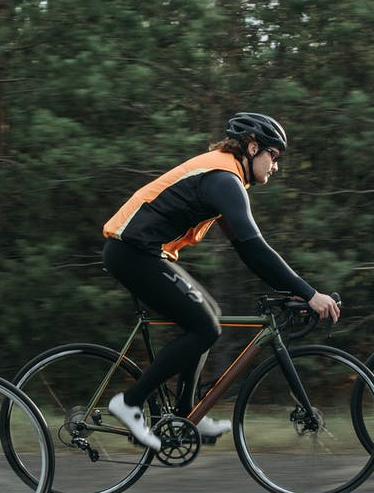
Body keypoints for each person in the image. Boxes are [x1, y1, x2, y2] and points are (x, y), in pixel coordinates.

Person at [101, 112, 341, 450]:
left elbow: (246, 251)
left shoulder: (226, 177)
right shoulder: (223, 177)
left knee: (207, 316)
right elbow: (255, 247)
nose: (276, 166)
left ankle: (186, 417)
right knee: (205, 327)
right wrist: (308, 293)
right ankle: (129, 402)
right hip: (133, 253)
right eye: (274, 156)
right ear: (253, 147)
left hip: (141, 253)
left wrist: (294, 290)